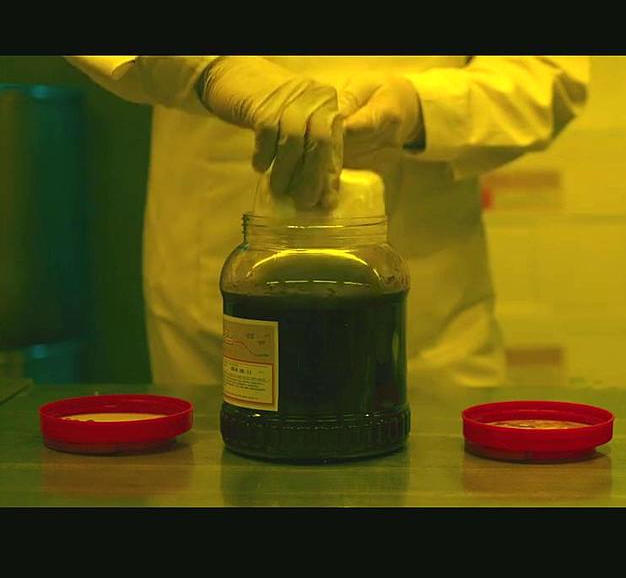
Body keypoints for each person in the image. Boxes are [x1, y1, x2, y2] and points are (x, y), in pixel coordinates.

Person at [65, 55, 589, 388]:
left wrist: (421, 108)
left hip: (428, 313)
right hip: (216, 280)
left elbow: (548, 74)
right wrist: (204, 67)